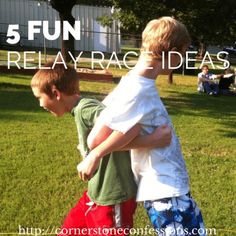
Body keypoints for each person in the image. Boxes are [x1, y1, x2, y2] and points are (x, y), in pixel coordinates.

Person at [77, 17, 206, 236]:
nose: (182, 59)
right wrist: (95, 154)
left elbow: (119, 125)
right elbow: (96, 139)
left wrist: (148, 138)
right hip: (165, 191)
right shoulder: (137, 89)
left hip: (170, 189)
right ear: (173, 54)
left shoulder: (133, 83)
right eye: (183, 54)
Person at [31, 62, 172, 236]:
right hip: (95, 194)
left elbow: (130, 125)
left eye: (39, 98)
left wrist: (151, 140)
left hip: (113, 198)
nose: (40, 104)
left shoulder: (85, 109)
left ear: (55, 93)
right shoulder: (79, 110)